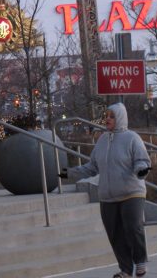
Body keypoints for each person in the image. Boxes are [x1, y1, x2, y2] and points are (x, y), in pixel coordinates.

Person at [59, 102, 151, 278]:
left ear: (120, 118)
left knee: (133, 227)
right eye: (106, 116)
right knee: (115, 234)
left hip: (132, 192)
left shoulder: (132, 138)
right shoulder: (101, 140)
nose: (107, 119)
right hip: (108, 196)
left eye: (111, 116)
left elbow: (142, 160)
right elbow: (91, 167)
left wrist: (141, 169)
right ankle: (125, 270)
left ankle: (140, 261)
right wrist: (66, 174)